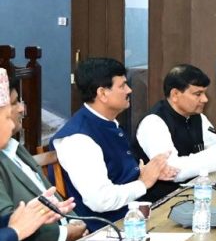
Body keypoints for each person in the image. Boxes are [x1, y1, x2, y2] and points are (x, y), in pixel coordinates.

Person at [53, 58, 177, 230]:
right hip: (104, 229)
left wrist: (148, 172)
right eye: (122, 86)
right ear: (102, 93)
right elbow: (101, 200)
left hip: (132, 218)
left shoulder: (109, 124)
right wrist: (143, 183)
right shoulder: (78, 140)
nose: (129, 90)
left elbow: (119, 174)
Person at [134, 64, 216, 203]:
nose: (205, 99)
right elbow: (173, 170)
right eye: (198, 94)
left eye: (204, 93)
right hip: (159, 203)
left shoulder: (197, 117)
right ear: (175, 94)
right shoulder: (153, 122)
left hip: (193, 196)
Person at [0, 77, 85, 241]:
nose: (21, 110)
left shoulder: (16, 147)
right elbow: (9, 224)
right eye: (7, 115)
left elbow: (51, 196)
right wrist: (64, 234)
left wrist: (76, 223)